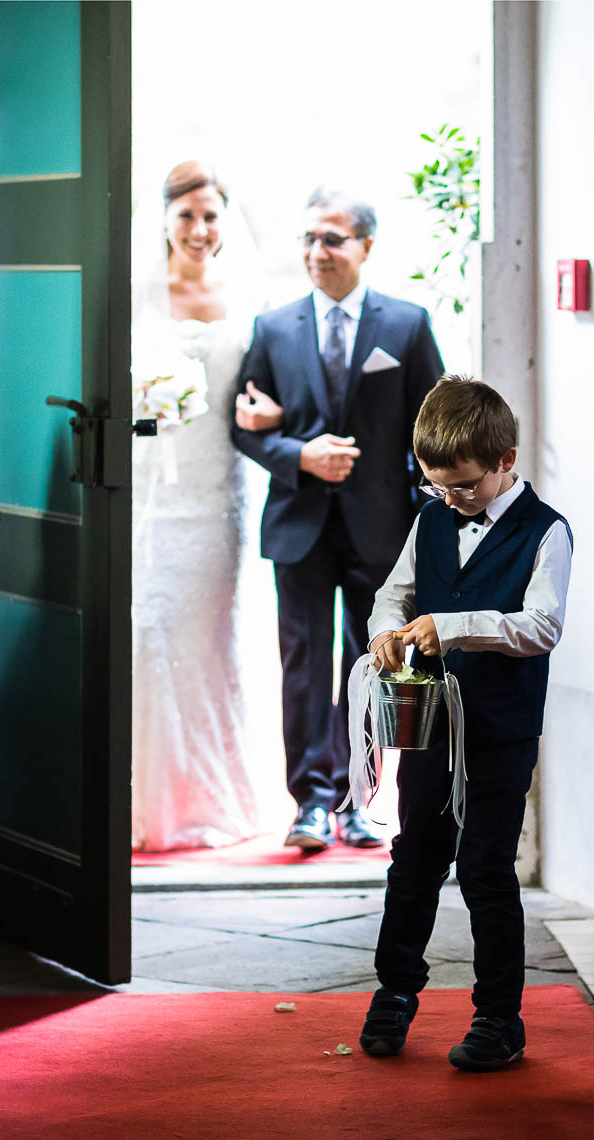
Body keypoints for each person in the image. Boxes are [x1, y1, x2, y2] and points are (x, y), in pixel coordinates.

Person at [359, 375, 571, 1071]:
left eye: (465, 486)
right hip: (430, 728)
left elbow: (540, 626)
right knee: (414, 859)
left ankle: (499, 1018)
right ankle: (393, 992)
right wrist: (388, 633)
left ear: (506, 458)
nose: (452, 500)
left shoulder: (547, 532)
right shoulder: (431, 523)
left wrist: (451, 628)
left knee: (485, 869)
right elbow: (393, 596)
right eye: (437, 487)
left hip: (501, 729)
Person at [232, 186, 444, 852]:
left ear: (366, 247)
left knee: (373, 664)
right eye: (308, 239)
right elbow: (243, 427)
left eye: (332, 239)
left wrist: (431, 521)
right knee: (302, 667)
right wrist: (300, 454)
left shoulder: (407, 326)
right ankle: (310, 804)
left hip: (381, 529)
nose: (316, 252)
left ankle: (361, 799)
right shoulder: (272, 328)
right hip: (298, 525)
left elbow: (431, 431)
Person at [130, 161, 280, 851]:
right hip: (153, 489)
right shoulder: (137, 287)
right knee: (152, 630)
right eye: (186, 215)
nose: (199, 229)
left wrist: (267, 412)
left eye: (210, 216)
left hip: (217, 494)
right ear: (163, 217)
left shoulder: (247, 294)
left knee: (209, 640)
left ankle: (214, 797)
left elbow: (267, 384)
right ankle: (151, 801)